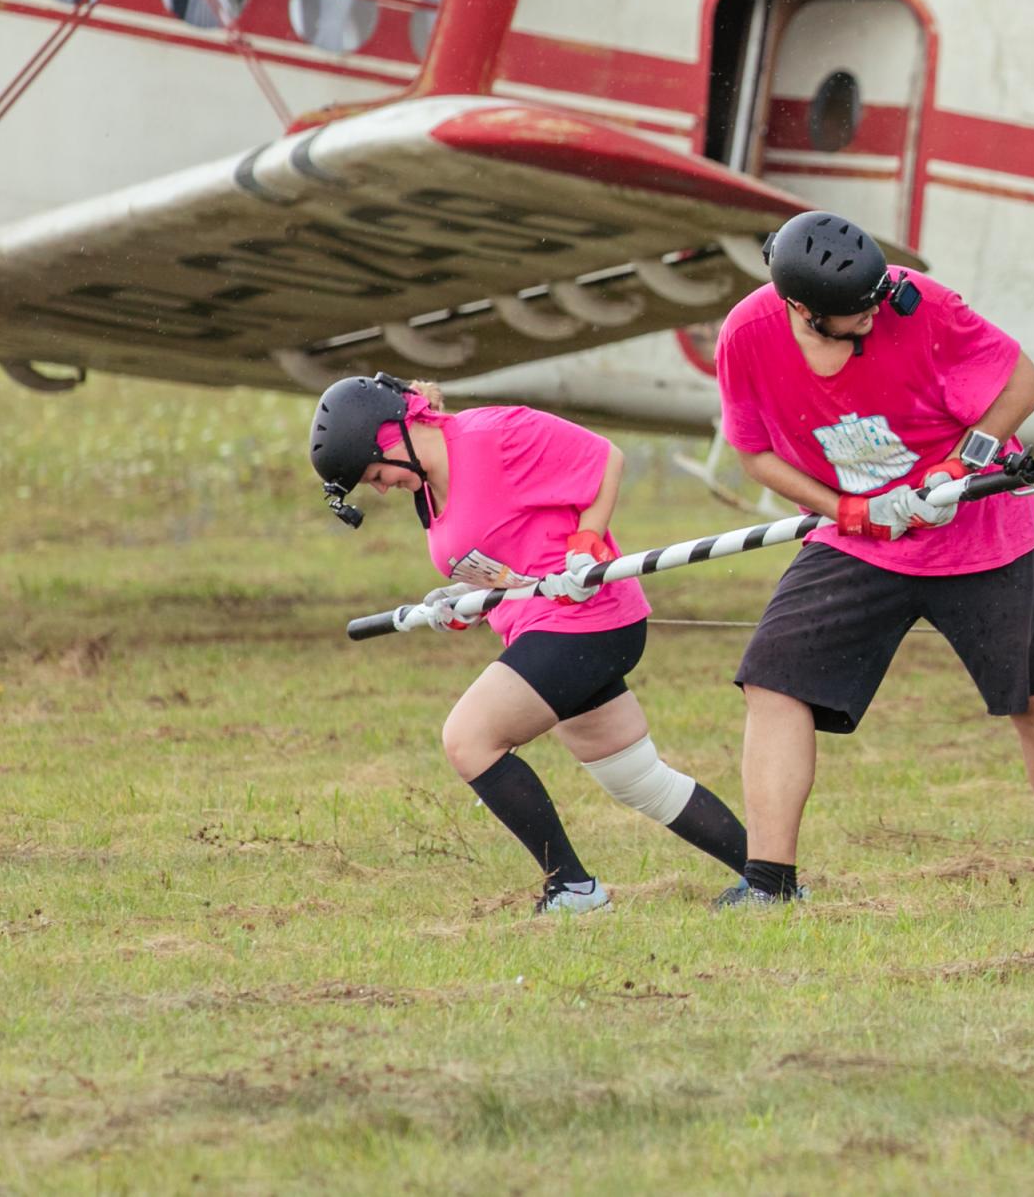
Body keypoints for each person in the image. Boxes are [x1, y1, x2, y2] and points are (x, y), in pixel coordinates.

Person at [711, 211, 1034, 907]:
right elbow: (753, 451)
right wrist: (843, 509)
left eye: (879, 301)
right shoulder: (748, 337)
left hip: (981, 532)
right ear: (805, 311)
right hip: (861, 539)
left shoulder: (918, 303)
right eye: (856, 314)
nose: (875, 319)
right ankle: (769, 883)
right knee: (772, 678)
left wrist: (957, 467)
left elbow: (1023, 383)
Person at [308, 374, 747, 913]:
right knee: (637, 779)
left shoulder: (496, 434)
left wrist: (586, 542)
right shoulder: (426, 488)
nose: (379, 488)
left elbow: (603, 458)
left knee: (469, 739)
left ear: (393, 432)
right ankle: (770, 879)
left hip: (588, 620)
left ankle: (573, 888)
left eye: (376, 474)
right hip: (538, 624)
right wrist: (459, 601)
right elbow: (499, 558)